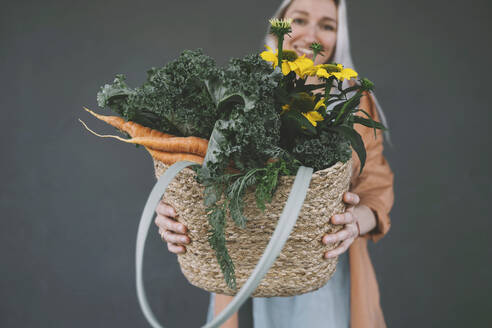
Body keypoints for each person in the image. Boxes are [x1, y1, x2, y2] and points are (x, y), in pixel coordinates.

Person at [154, 0, 394, 327]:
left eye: (327, 25)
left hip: (322, 270)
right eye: (299, 20)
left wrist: (355, 221)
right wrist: (175, 212)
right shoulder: (238, 93)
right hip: (243, 267)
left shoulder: (354, 101)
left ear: (340, 36)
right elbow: (201, 169)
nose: (312, 35)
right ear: (278, 24)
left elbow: (376, 189)